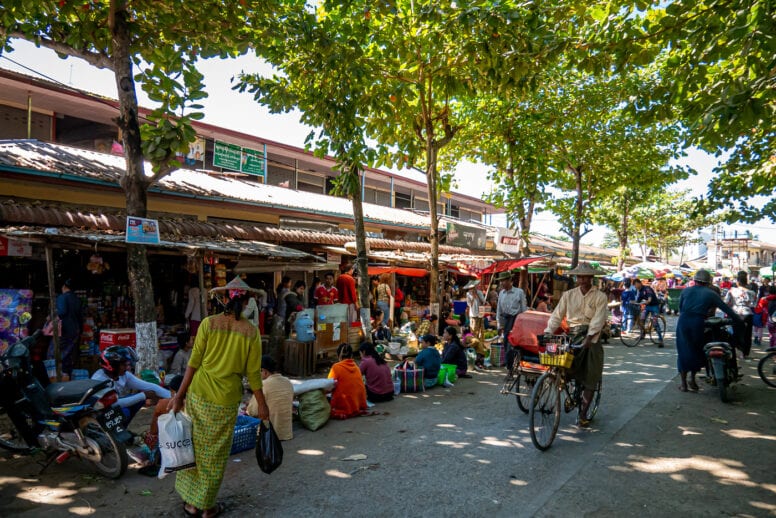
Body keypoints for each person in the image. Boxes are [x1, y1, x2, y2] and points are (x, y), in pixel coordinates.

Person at [171, 276, 269, 518]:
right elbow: (254, 376)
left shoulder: (208, 323)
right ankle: (207, 507)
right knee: (214, 455)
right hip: (225, 402)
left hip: (199, 396)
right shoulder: (251, 332)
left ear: (224, 299)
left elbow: (193, 364)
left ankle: (193, 503)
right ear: (247, 302)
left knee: (196, 449)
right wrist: (263, 405)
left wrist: (179, 396)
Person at [543, 262, 608, 427]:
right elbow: (557, 315)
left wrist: (590, 336)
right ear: (577, 278)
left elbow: (599, 319)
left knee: (591, 376)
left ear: (591, 278)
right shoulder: (568, 295)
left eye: (586, 277)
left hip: (591, 338)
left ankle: (583, 413)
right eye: (580, 276)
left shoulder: (600, 296)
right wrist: (548, 332)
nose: (583, 280)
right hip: (572, 334)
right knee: (561, 365)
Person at [675, 269, 743, 393]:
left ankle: (684, 384)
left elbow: (680, 308)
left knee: (683, 350)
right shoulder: (710, 293)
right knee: (696, 350)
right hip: (698, 323)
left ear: (695, 280)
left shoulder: (685, 291)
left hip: (683, 322)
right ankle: (692, 380)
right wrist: (738, 320)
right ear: (709, 282)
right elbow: (726, 309)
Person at [91, 346, 171, 424]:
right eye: (124, 365)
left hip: (113, 404)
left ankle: (124, 429)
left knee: (137, 400)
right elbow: (114, 404)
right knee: (125, 412)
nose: (128, 368)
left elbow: (150, 386)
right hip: (100, 412)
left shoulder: (123, 375)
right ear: (113, 366)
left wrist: (174, 398)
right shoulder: (99, 380)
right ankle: (115, 433)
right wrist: (143, 395)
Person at [247, 355, 294, 441]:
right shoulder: (288, 382)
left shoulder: (264, 385)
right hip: (286, 433)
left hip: (270, 435)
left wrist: (249, 407)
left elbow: (252, 411)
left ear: (264, 371)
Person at [50, 278, 83, 376]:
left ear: (64, 287)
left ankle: (56, 375)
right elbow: (80, 316)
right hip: (75, 331)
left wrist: (51, 315)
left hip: (64, 331)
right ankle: (67, 374)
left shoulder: (62, 297)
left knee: (53, 353)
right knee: (68, 354)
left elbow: (62, 312)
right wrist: (80, 330)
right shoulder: (77, 299)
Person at [327, 343, 368, 419]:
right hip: (358, 405)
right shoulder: (356, 367)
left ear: (338, 355)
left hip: (343, 407)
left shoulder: (336, 367)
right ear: (352, 355)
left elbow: (328, 386)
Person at [724, 271, 756, 356]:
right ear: (746, 282)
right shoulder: (752, 292)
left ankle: (736, 349)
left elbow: (727, 302)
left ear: (738, 282)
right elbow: (754, 305)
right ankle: (745, 353)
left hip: (736, 314)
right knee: (747, 334)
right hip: (748, 314)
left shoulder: (731, 291)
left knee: (735, 332)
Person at [496, 271, 527, 344]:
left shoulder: (519, 292)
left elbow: (523, 310)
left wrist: (523, 324)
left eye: (503, 281)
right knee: (506, 342)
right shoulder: (501, 293)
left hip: (516, 321)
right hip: (506, 322)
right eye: (500, 281)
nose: (501, 283)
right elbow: (499, 310)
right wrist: (499, 325)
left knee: (515, 343)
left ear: (509, 280)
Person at [633, 278, 664, 347]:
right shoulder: (640, 291)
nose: (635, 287)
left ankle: (660, 339)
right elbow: (637, 301)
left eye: (635, 285)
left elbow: (649, 299)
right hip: (647, 307)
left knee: (655, 322)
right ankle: (642, 334)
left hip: (654, 306)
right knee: (641, 320)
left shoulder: (647, 289)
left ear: (639, 283)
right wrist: (632, 302)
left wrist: (647, 301)